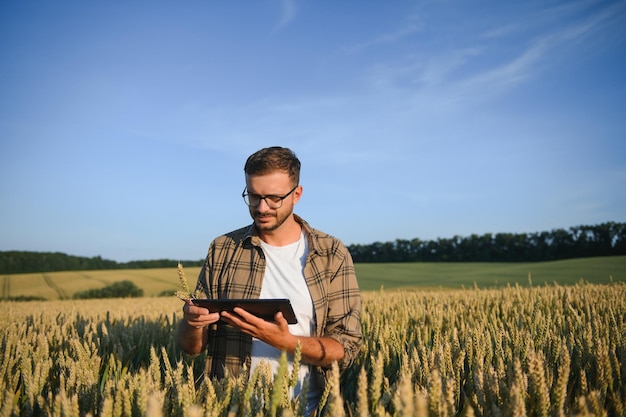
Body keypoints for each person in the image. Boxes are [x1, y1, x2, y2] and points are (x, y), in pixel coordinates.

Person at [176, 146, 363, 415]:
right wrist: (192, 324)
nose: (262, 208)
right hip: (231, 408)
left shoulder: (331, 254)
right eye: (253, 196)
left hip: (306, 410)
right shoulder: (223, 249)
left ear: (296, 194)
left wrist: (285, 342)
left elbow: (346, 347)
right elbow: (191, 348)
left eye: (274, 198)